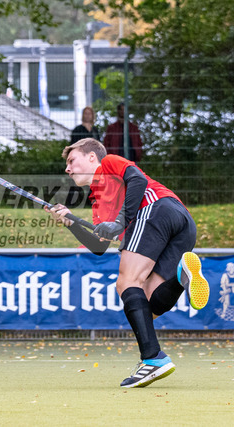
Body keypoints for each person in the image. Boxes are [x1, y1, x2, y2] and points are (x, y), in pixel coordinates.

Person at [45, 138, 210, 388]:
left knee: (126, 282)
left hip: (156, 208)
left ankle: (153, 359)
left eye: (72, 160)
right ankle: (180, 277)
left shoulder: (109, 163)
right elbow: (99, 246)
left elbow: (138, 180)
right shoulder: (98, 200)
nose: (67, 169)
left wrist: (120, 222)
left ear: (92, 157)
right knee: (147, 305)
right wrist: (70, 222)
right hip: (183, 224)